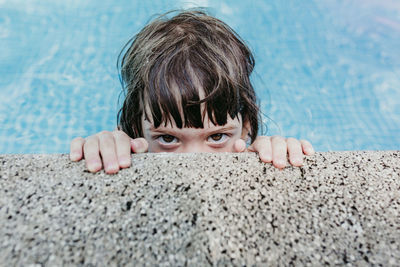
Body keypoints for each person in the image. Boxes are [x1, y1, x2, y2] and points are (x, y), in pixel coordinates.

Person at [69, 10, 314, 174]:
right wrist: (106, 149)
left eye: (217, 137)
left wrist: (277, 153)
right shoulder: (132, 140)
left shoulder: (252, 146)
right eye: (168, 138)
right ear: (136, 129)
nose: (194, 162)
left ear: (247, 127)